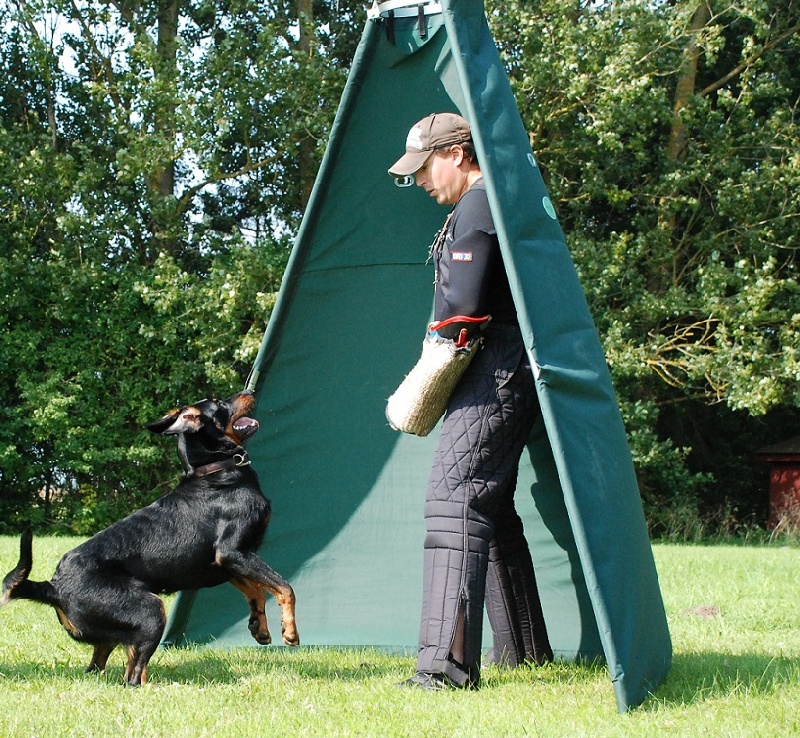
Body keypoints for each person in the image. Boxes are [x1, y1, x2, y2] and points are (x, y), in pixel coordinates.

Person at [388, 112, 553, 690]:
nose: (421, 182)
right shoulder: (495, 204)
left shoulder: (479, 208)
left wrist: (434, 358)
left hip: (493, 375)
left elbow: (462, 311)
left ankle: (443, 669)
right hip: (510, 374)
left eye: (425, 168)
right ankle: (527, 653)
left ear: (457, 153)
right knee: (492, 506)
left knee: (453, 503)